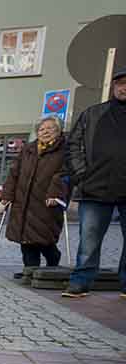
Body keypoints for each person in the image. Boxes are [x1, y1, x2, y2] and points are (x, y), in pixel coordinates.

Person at [62, 68, 126, 299]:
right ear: (113, 87)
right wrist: (81, 175)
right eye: (120, 83)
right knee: (89, 239)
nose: (124, 87)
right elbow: (73, 145)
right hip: (95, 187)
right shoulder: (93, 114)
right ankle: (81, 281)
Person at [0, 116, 68, 276]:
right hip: (23, 200)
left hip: (46, 201)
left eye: (50, 128)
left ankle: (53, 260)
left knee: (43, 237)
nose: (45, 132)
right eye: (42, 129)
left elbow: (64, 174)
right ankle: (30, 270)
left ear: (58, 131)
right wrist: (8, 193)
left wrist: (55, 192)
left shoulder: (65, 150)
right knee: (25, 237)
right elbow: (14, 172)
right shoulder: (29, 149)